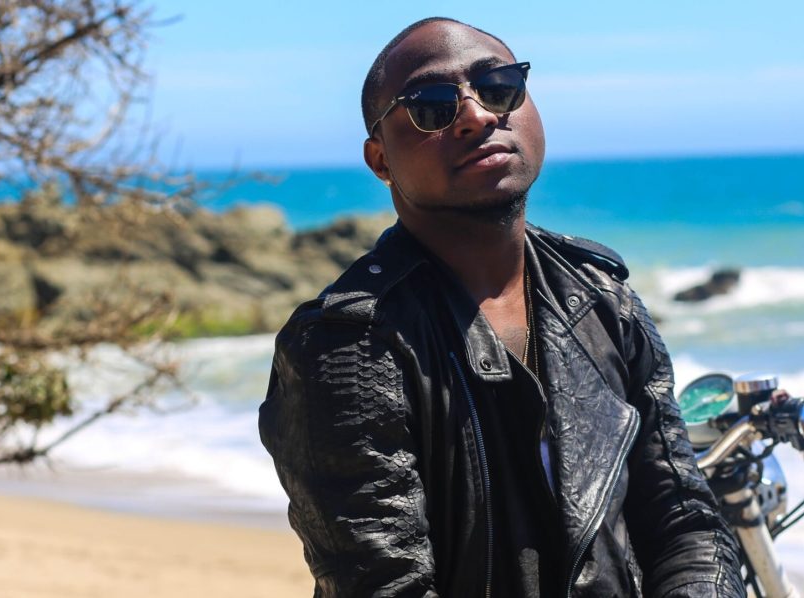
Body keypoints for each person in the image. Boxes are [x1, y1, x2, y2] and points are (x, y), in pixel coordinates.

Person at [259, 16, 745, 597]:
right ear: (380, 159)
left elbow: (685, 522)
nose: (478, 115)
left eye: (499, 87)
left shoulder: (602, 297)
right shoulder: (348, 344)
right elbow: (384, 584)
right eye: (432, 106)